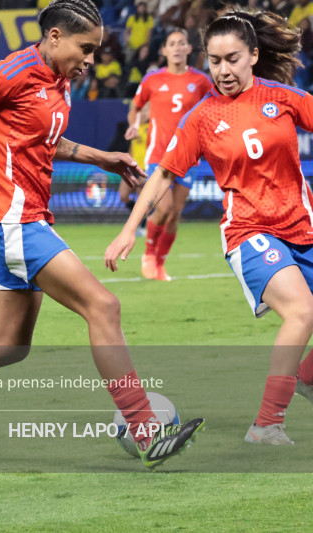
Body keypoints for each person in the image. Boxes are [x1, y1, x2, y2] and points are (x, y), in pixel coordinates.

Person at [0, 0, 205, 469]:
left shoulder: (60, 83)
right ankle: (146, 430)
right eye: (84, 48)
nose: (91, 59)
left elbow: (45, 138)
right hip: (10, 219)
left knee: (10, 343)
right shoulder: (11, 71)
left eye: (95, 50)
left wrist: (102, 157)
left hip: (21, 218)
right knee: (103, 305)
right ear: (54, 37)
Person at [105, 10, 313, 446]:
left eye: (233, 59)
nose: (223, 70)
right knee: (302, 312)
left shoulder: (286, 97)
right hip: (249, 230)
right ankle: (266, 425)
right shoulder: (202, 118)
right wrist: (129, 229)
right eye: (215, 61)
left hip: (303, 225)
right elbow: (162, 175)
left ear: (254, 56)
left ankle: (304, 376)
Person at [124, 29, 212, 281]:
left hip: (188, 156)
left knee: (175, 213)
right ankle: (148, 255)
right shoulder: (152, 80)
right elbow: (136, 106)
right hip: (158, 155)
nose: (176, 47)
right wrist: (133, 125)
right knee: (163, 208)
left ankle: (160, 264)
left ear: (188, 49)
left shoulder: (201, 81)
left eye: (181, 43)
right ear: (163, 50)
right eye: (171, 44)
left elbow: (212, 109)